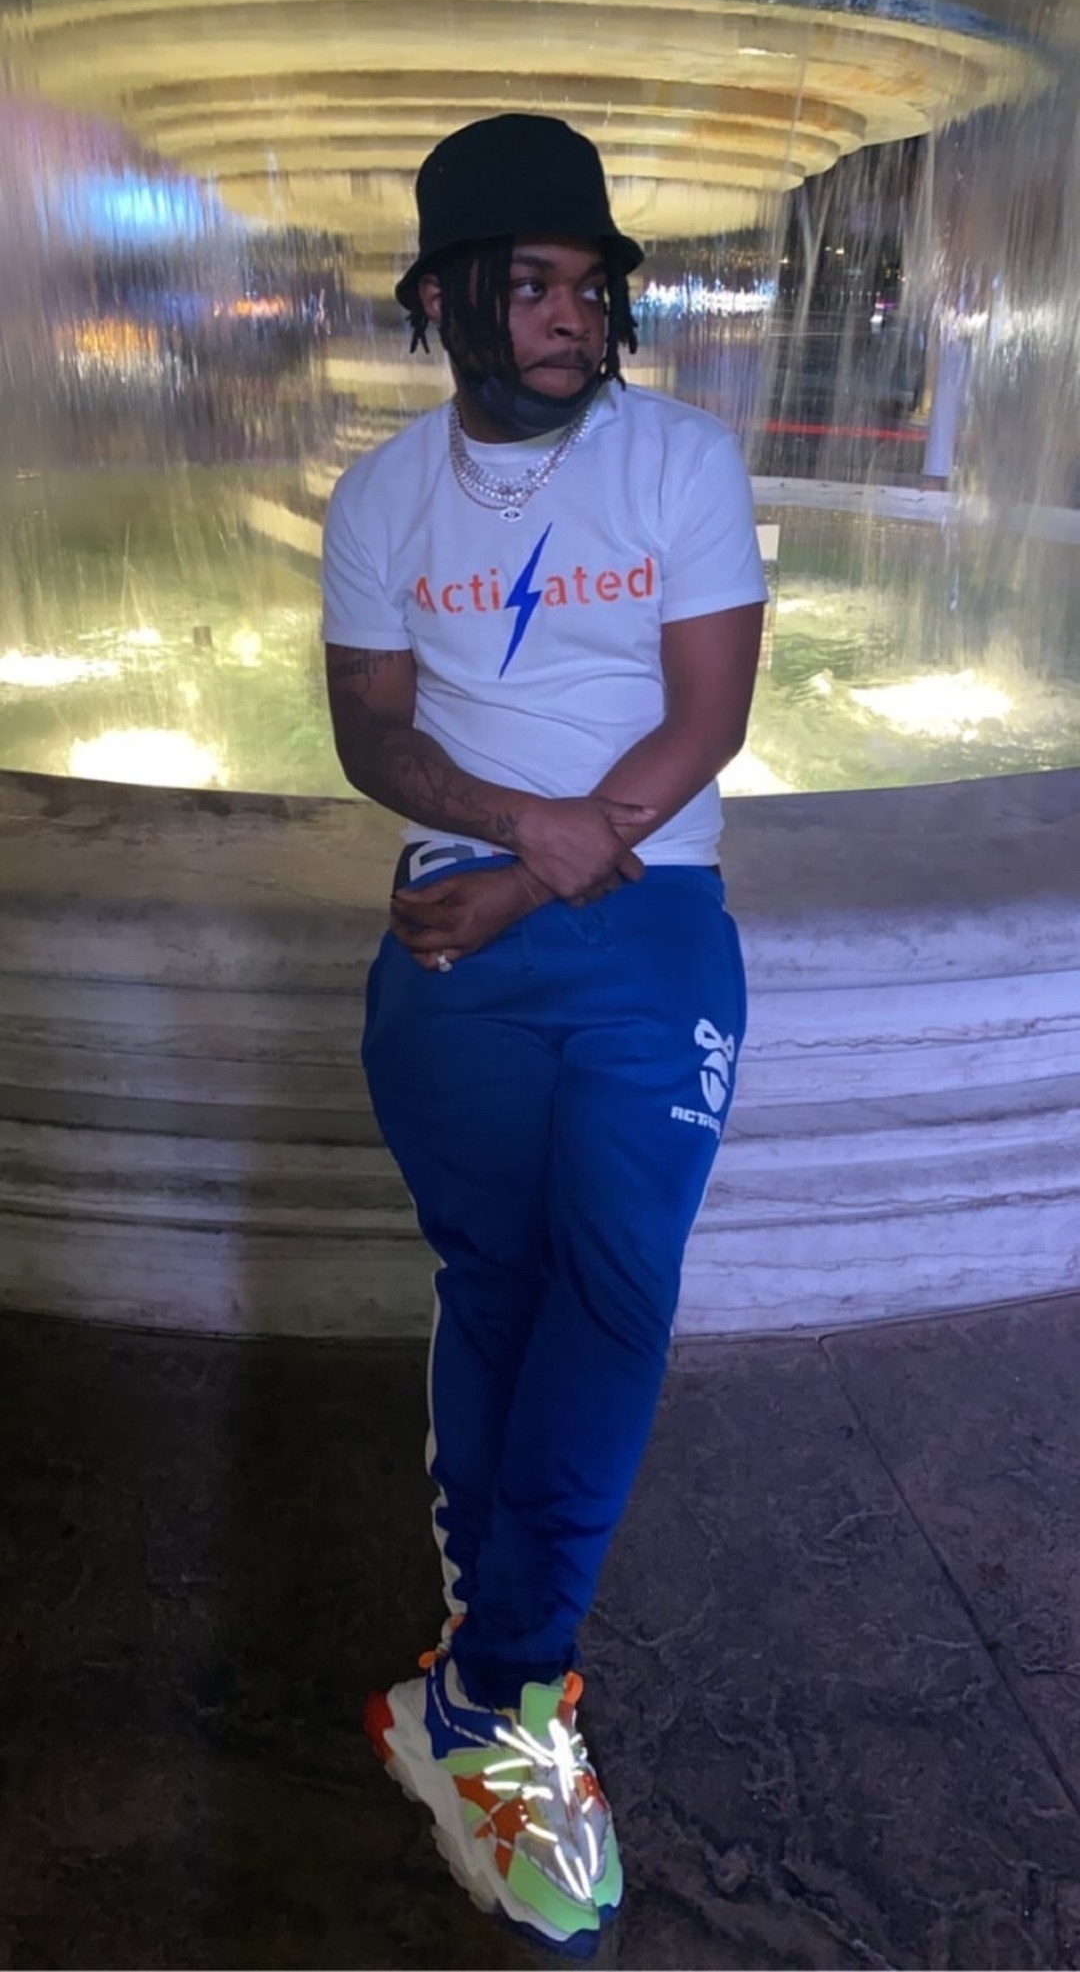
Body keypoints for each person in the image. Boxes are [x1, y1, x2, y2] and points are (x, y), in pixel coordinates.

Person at [322, 112, 766, 1955]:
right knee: (495, 1284)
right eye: (532, 283)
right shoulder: (380, 500)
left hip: (648, 915)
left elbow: (707, 720)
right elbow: (371, 731)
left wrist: (546, 870)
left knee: (615, 1284)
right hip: (458, 917)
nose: (574, 313)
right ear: (442, 301)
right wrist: (510, 842)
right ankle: (472, 1676)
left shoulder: (681, 459)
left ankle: (500, 1696)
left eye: (591, 284)